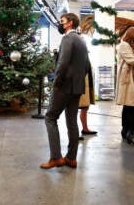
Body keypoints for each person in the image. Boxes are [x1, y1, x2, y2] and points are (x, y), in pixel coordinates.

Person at [40, 13, 88, 169]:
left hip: (64, 86)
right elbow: (86, 66)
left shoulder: (67, 39)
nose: (60, 24)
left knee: (50, 117)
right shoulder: (81, 40)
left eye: (62, 22)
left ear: (70, 23)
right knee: (71, 121)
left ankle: (56, 157)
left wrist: (56, 82)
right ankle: (71, 158)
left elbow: (62, 63)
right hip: (77, 87)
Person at [116, 26, 134, 147]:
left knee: (129, 106)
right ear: (133, 35)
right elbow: (131, 60)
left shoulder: (129, 45)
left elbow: (132, 59)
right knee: (133, 105)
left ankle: (125, 131)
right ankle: (131, 134)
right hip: (128, 79)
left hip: (131, 78)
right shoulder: (124, 45)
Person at [78, 58, 97, 137]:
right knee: (74, 109)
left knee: (85, 107)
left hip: (86, 82)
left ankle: (85, 128)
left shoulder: (84, 54)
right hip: (79, 84)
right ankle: (74, 133)